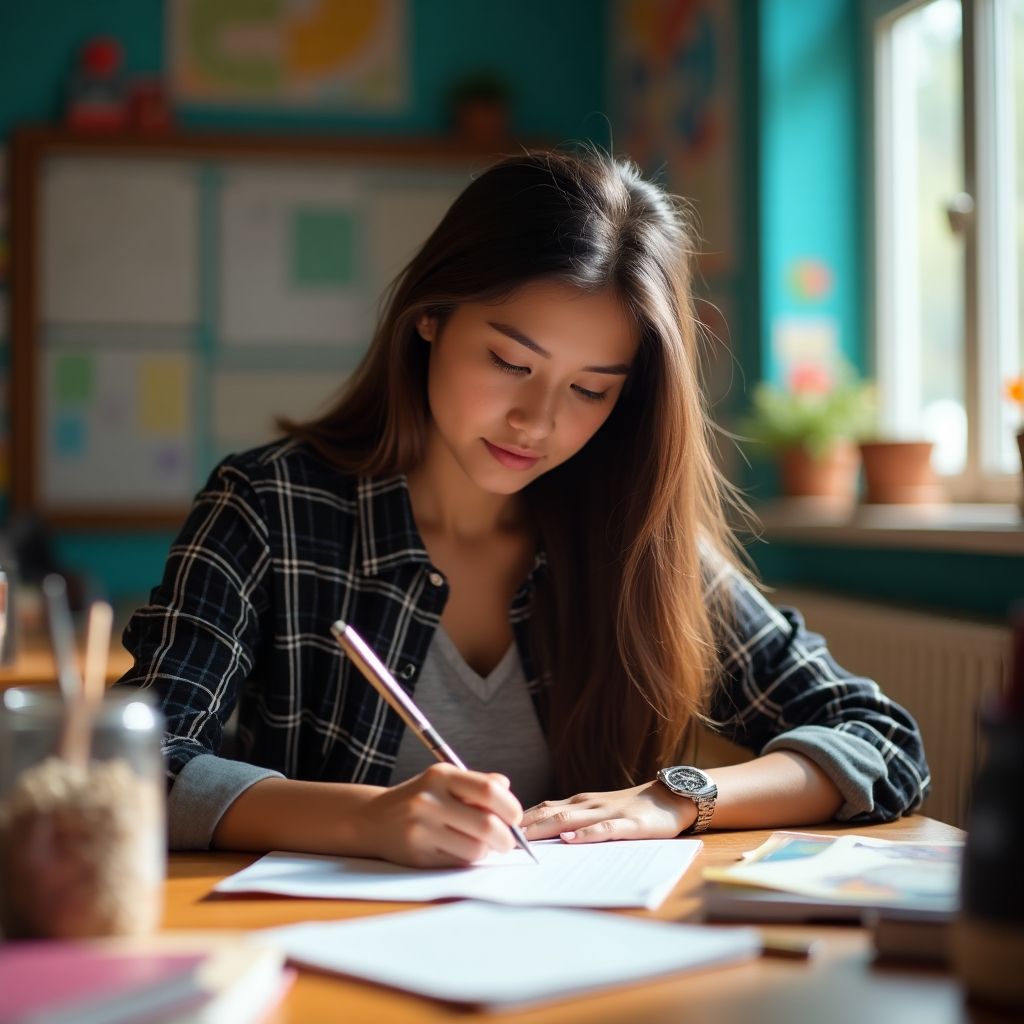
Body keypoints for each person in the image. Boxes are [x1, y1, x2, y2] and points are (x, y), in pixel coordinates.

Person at [119, 149, 929, 868]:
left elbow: (880, 739)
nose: (537, 423)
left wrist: (675, 797)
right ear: (430, 316)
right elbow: (130, 765)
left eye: (589, 390)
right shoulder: (269, 509)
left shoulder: (632, 537)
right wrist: (368, 820)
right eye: (510, 361)